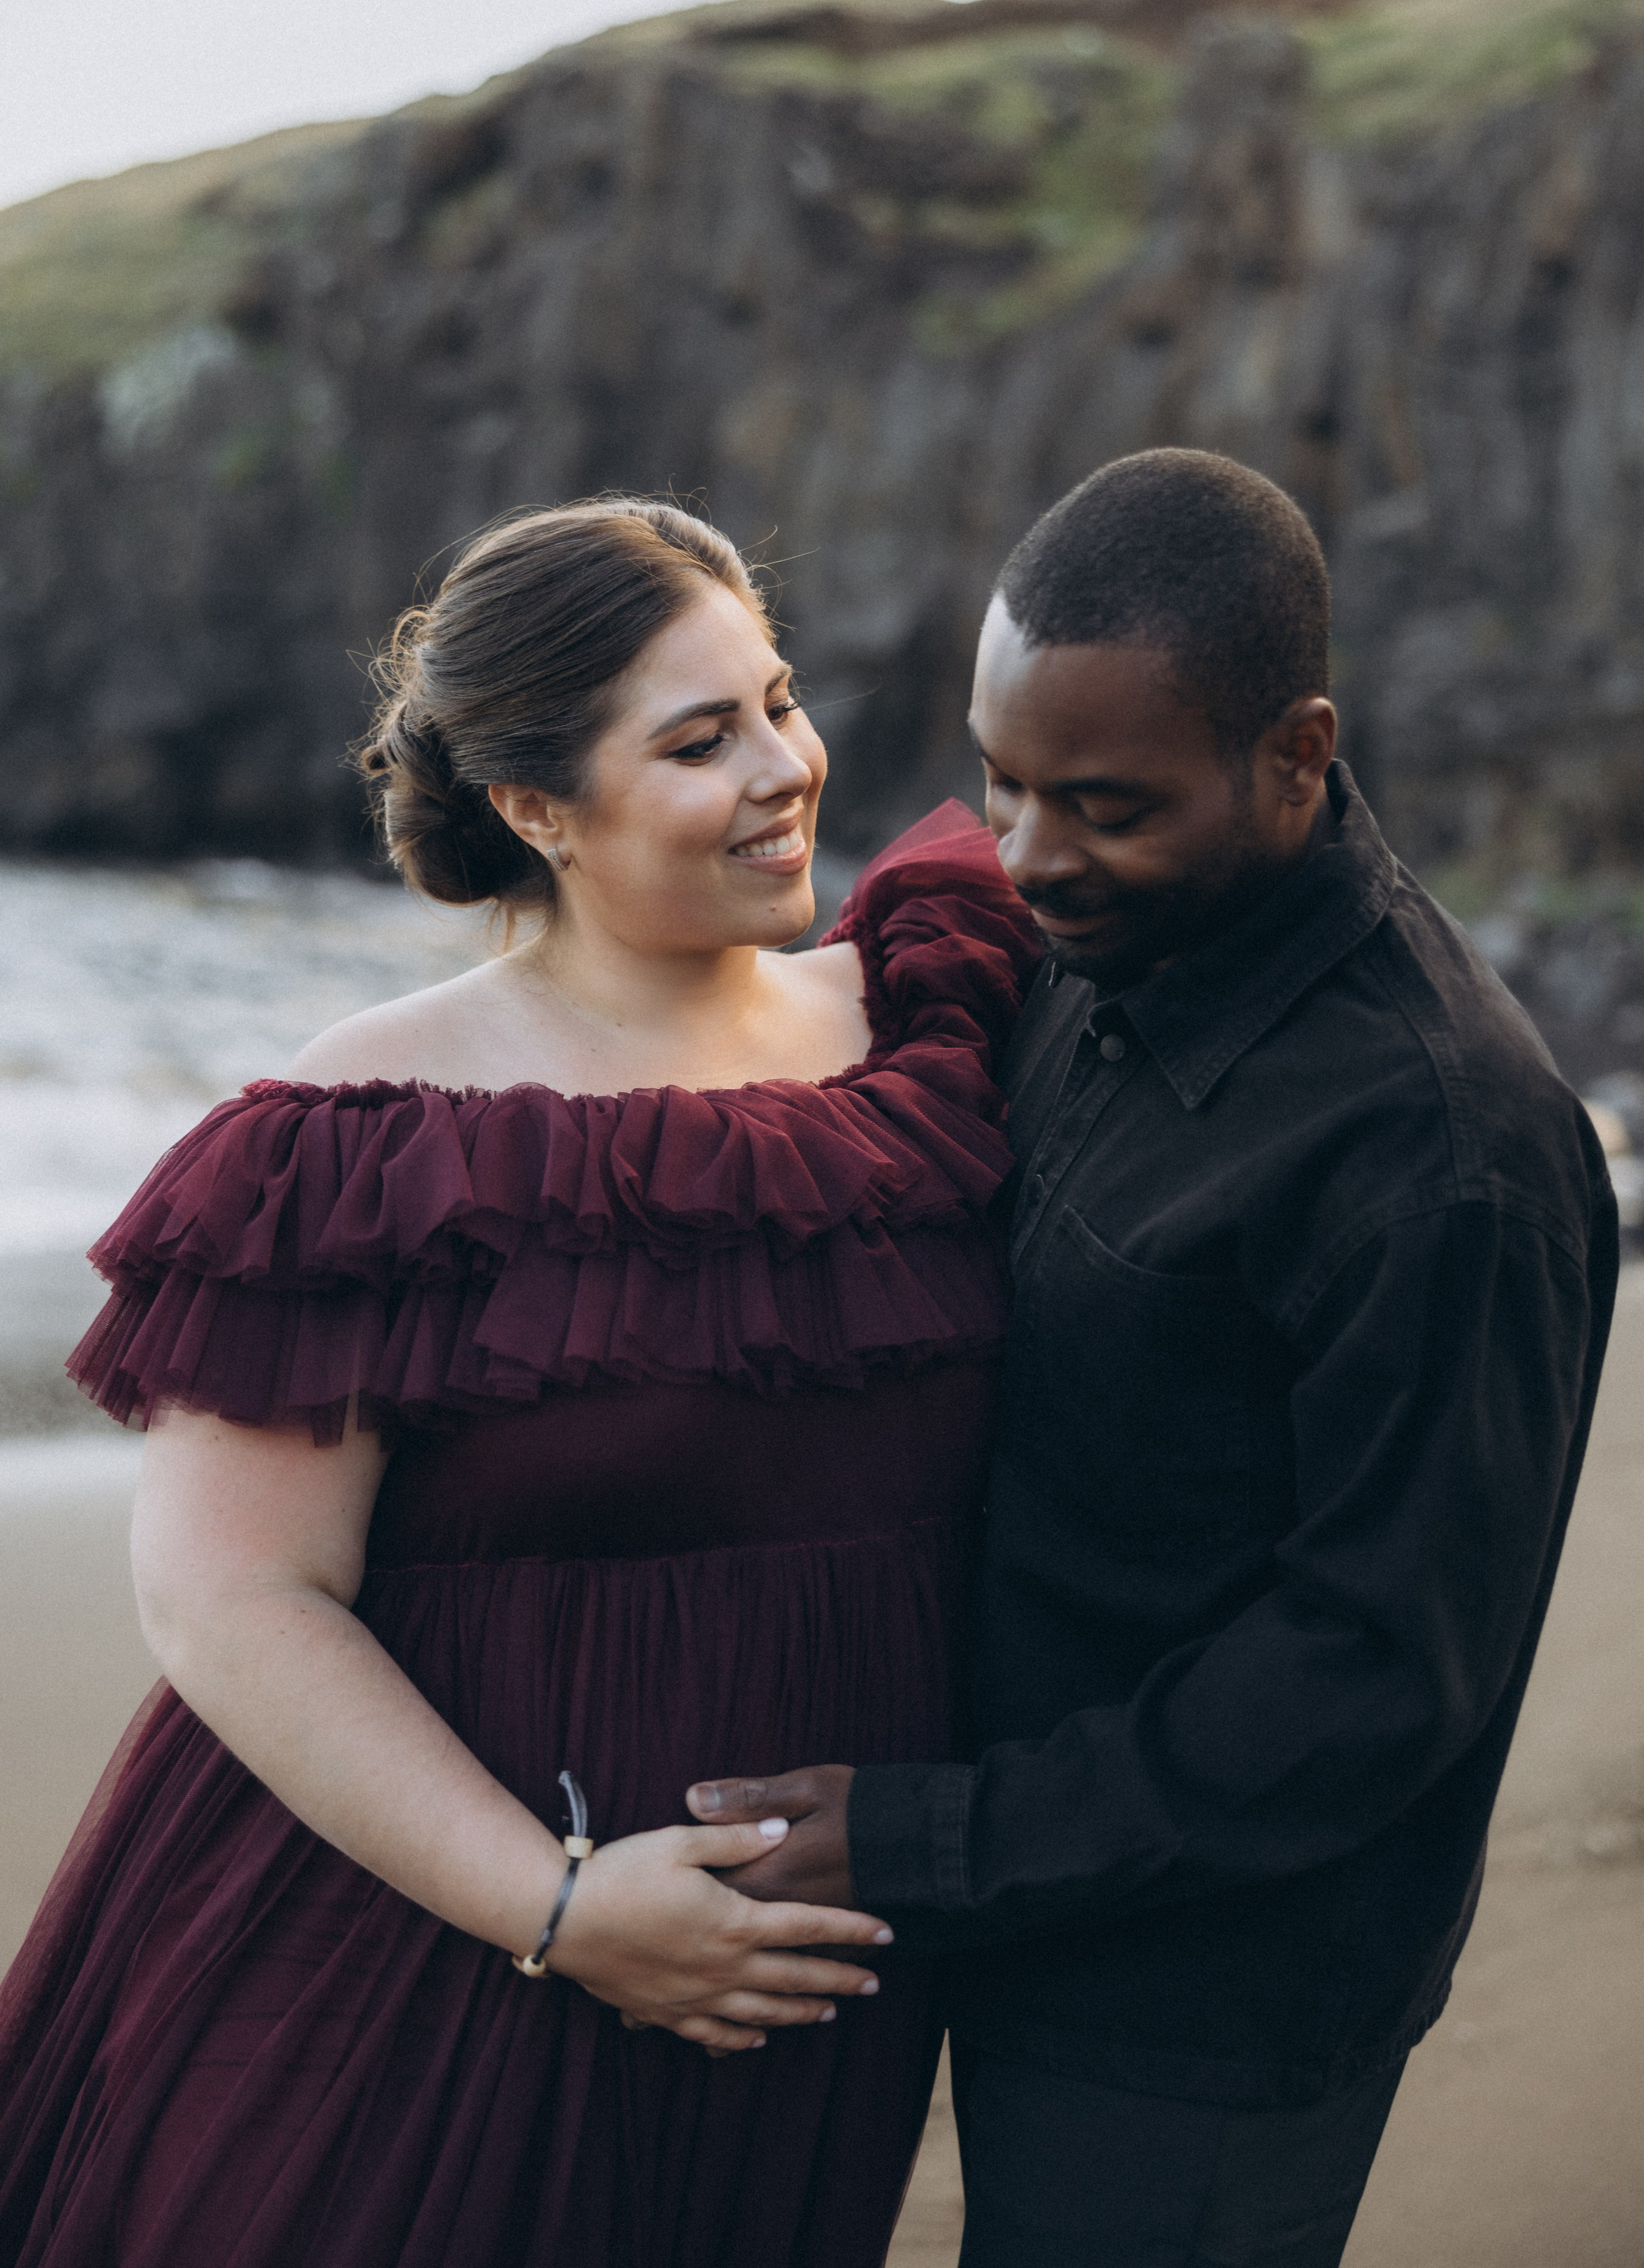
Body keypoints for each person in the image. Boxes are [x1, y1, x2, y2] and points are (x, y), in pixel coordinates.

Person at [0, 498, 1040, 2268]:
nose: (787, 765)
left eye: (777, 701)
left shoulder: (925, 1032)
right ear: (536, 808)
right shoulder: (370, 1135)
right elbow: (229, 1594)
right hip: (407, 1956)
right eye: (701, 740)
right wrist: (558, 1908)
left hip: (795, 1990)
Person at [687, 450, 1620, 2268]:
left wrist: (930, 1840)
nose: (1030, 855)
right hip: (979, 1875)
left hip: (1207, 2002)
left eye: (1104, 805)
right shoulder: (1085, 941)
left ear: (1296, 754)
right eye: (1001, 778)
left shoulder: (1445, 1158)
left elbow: (1363, 1684)